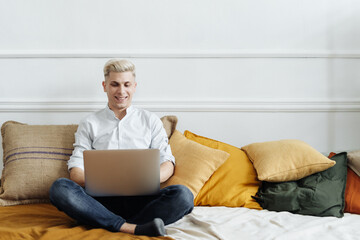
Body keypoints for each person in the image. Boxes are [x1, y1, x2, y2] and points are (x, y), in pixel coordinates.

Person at [49, 59, 194, 237]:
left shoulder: (150, 120)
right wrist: (107, 181)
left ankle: (109, 223)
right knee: (60, 188)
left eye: (127, 85)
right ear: (105, 86)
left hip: (142, 200)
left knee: (184, 195)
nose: (121, 91)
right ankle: (132, 228)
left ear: (134, 86)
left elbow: (167, 164)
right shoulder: (89, 123)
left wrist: (144, 179)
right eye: (115, 84)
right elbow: (76, 173)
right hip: (100, 202)